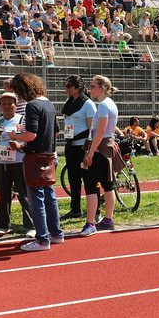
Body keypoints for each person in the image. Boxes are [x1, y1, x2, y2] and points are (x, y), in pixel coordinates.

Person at [8, 73, 64, 251]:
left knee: (36, 198)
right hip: (49, 154)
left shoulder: (32, 105)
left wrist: (15, 135)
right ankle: (56, 233)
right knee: (49, 195)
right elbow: (55, 131)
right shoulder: (48, 103)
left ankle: (42, 239)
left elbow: (31, 135)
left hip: (36, 156)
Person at [80, 75, 123, 236]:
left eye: (93, 86)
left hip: (100, 149)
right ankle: (108, 219)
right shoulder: (109, 104)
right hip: (107, 148)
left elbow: (101, 131)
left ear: (102, 88)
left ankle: (90, 223)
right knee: (107, 184)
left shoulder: (104, 106)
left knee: (91, 186)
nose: (91, 89)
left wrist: (91, 152)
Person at [0, 92, 33, 236]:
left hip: (19, 162)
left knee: (24, 194)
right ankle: (3, 225)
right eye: (3, 103)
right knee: (3, 194)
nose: (6, 106)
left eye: (9, 103)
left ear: (15, 105)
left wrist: (18, 145)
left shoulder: (23, 120)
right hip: (1, 163)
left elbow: (30, 139)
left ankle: (31, 225)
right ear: (0, 106)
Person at [61, 75, 96, 220]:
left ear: (78, 88)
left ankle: (95, 210)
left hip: (82, 146)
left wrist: (89, 150)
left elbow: (92, 129)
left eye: (69, 86)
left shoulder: (88, 104)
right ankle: (75, 209)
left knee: (88, 179)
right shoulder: (69, 102)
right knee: (73, 178)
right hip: (71, 146)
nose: (66, 89)